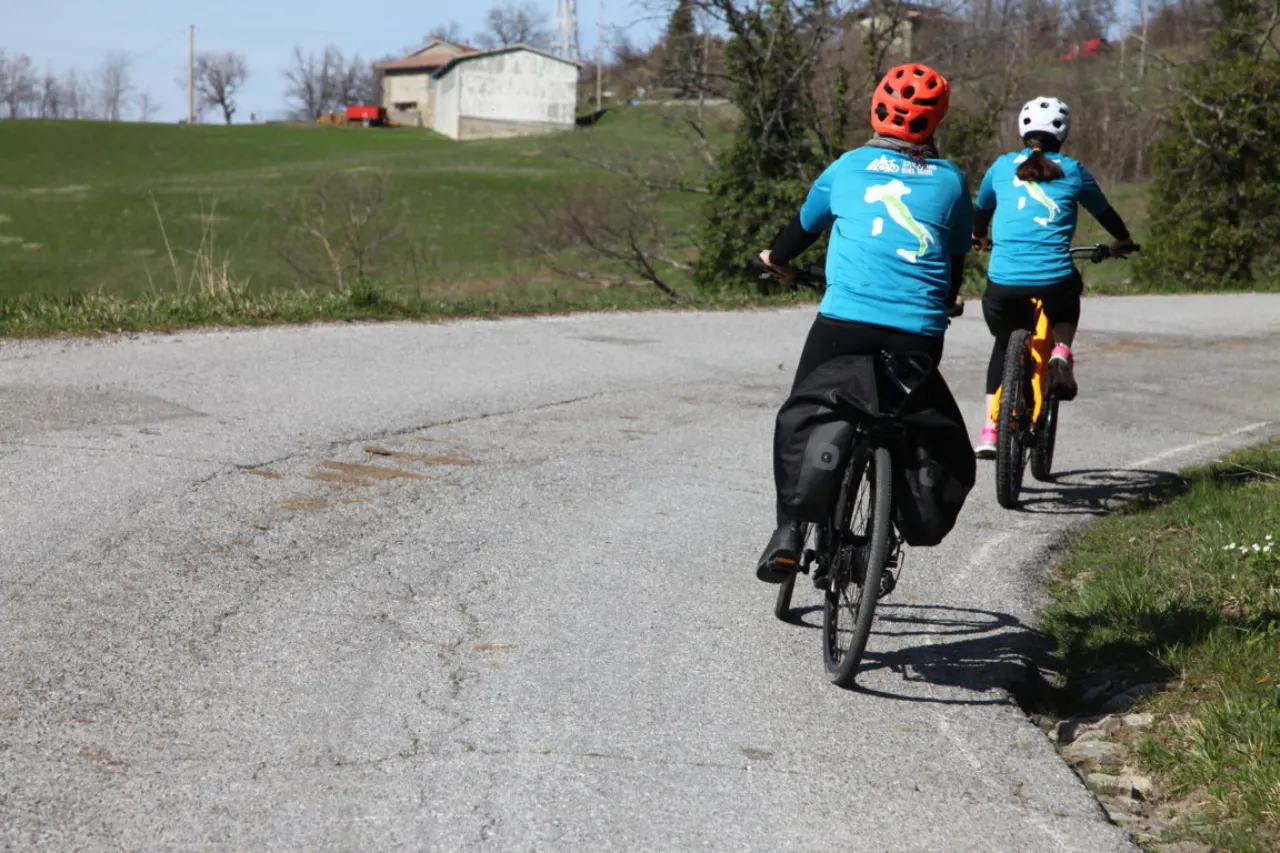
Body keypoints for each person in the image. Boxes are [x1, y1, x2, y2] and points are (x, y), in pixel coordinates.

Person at [754, 63, 973, 584]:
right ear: (934, 122)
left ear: (876, 108)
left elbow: (797, 235)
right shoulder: (951, 181)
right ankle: (883, 521)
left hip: (844, 325)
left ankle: (788, 532)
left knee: (805, 411)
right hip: (918, 331)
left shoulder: (848, 167)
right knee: (899, 420)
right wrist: (944, 299)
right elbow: (952, 256)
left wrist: (776, 260)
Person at [971, 96, 1136, 458]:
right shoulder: (1073, 170)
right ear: (1063, 134)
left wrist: (979, 237)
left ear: (1022, 129)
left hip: (1003, 284)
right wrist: (1120, 242)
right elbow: (1105, 212)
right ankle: (1061, 351)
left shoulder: (1000, 167)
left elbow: (981, 211)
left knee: (1003, 347)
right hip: (1054, 278)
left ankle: (988, 429)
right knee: (1067, 297)